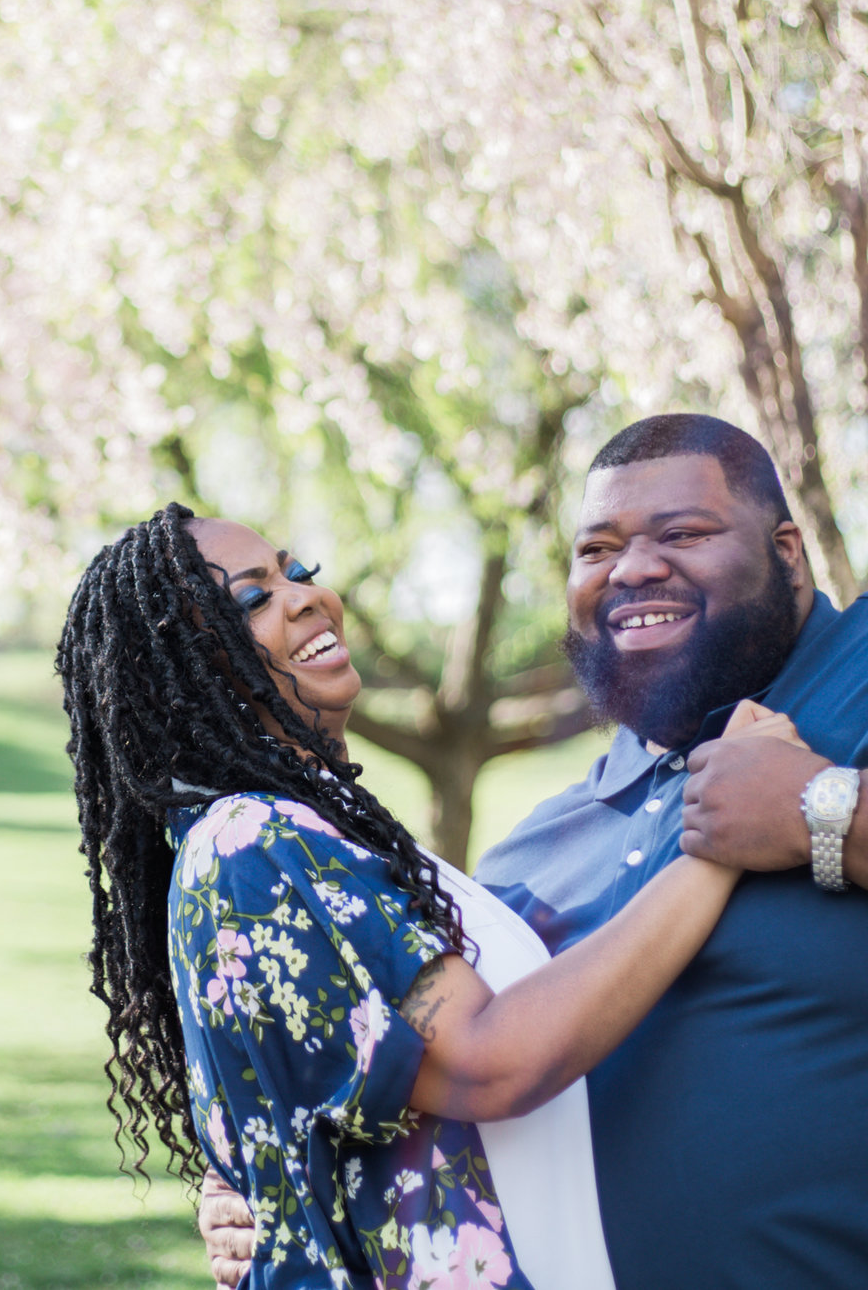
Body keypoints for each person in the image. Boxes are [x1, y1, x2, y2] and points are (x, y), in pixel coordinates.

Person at [199, 413, 868, 1289]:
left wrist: (828, 808)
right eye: (597, 547)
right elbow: (441, 1064)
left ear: (786, 554)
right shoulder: (537, 853)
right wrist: (277, 1189)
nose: (632, 568)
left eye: (680, 533)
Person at [58, 502, 807, 1289]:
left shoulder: (312, 836)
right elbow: (489, 1060)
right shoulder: (257, 843)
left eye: (296, 570)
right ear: (181, 677)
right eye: (252, 598)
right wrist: (723, 841)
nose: (306, 595)